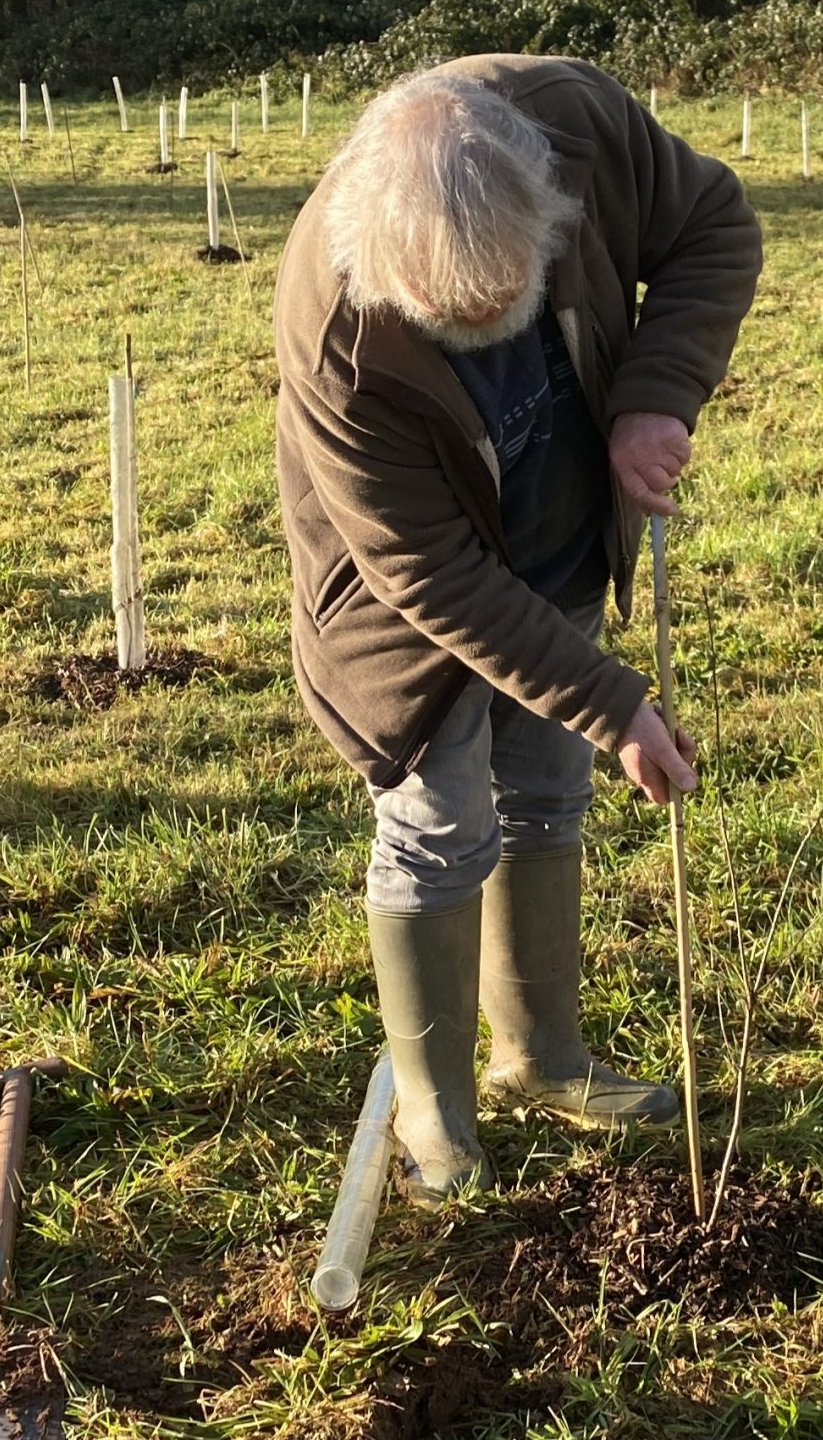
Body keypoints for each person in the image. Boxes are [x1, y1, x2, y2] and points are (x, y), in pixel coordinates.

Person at [274, 59, 762, 1198]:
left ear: (549, 212)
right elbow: (427, 573)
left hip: (558, 525)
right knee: (438, 821)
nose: (484, 330)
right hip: (404, 600)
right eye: (454, 321)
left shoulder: (578, 125)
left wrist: (656, 393)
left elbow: (714, 226)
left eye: (508, 301)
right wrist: (613, 702)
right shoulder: (339, 336)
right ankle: (435, 1115)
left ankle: (540, 1058)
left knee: (547, 791)